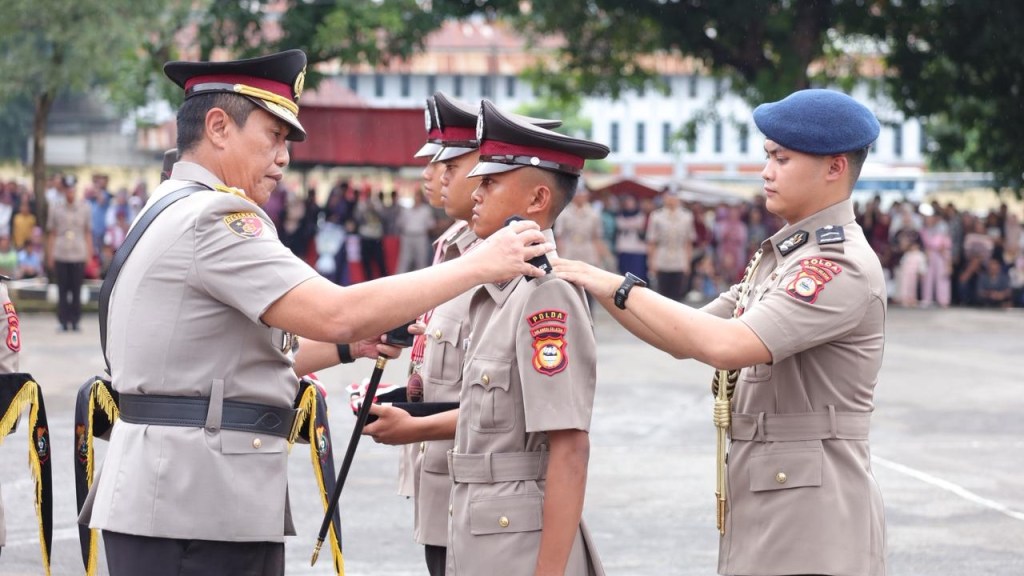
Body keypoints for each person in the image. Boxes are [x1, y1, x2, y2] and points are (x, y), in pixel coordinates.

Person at [75, 49, 553, 576]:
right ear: (217, 126)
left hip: (181, 497)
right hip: (194, 505)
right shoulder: (216, 217)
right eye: (274, 136)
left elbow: (230, 366)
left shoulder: (171, 203)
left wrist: (352, 347)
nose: (283, 157)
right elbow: (336, 311)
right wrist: (483, 263)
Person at [554, 88, 887, 576]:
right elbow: (684, 334)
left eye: (782, 158)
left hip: (814, 504)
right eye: (768, 156)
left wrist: (611, 283)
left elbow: (725, 345)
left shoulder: (838, 265)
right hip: (771, 482)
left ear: (834, 167)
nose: (766, 171)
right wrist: (580, 277)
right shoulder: (787, 256)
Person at [46, 174, 92, 332]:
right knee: (63, 289)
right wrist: (50, 255)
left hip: (78, 252)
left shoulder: (85, 207)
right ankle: (63, 320)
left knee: (76, 289)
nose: (70, 193)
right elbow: (52, 232)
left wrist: (89, 254)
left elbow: (87, 232)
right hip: (61, 252)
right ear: (64, 191)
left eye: (73, 190)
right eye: (68, 190)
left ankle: (75, 320)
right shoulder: (56, 207)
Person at [645, 188, 695, 302]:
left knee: (678, 295)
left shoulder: (687, 216)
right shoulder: (656, 216)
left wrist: (688, 262)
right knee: (663, 295)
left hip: (679, 258)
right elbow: (652, 241)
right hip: (662, 258)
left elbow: (688, 241)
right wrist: (651, 262)